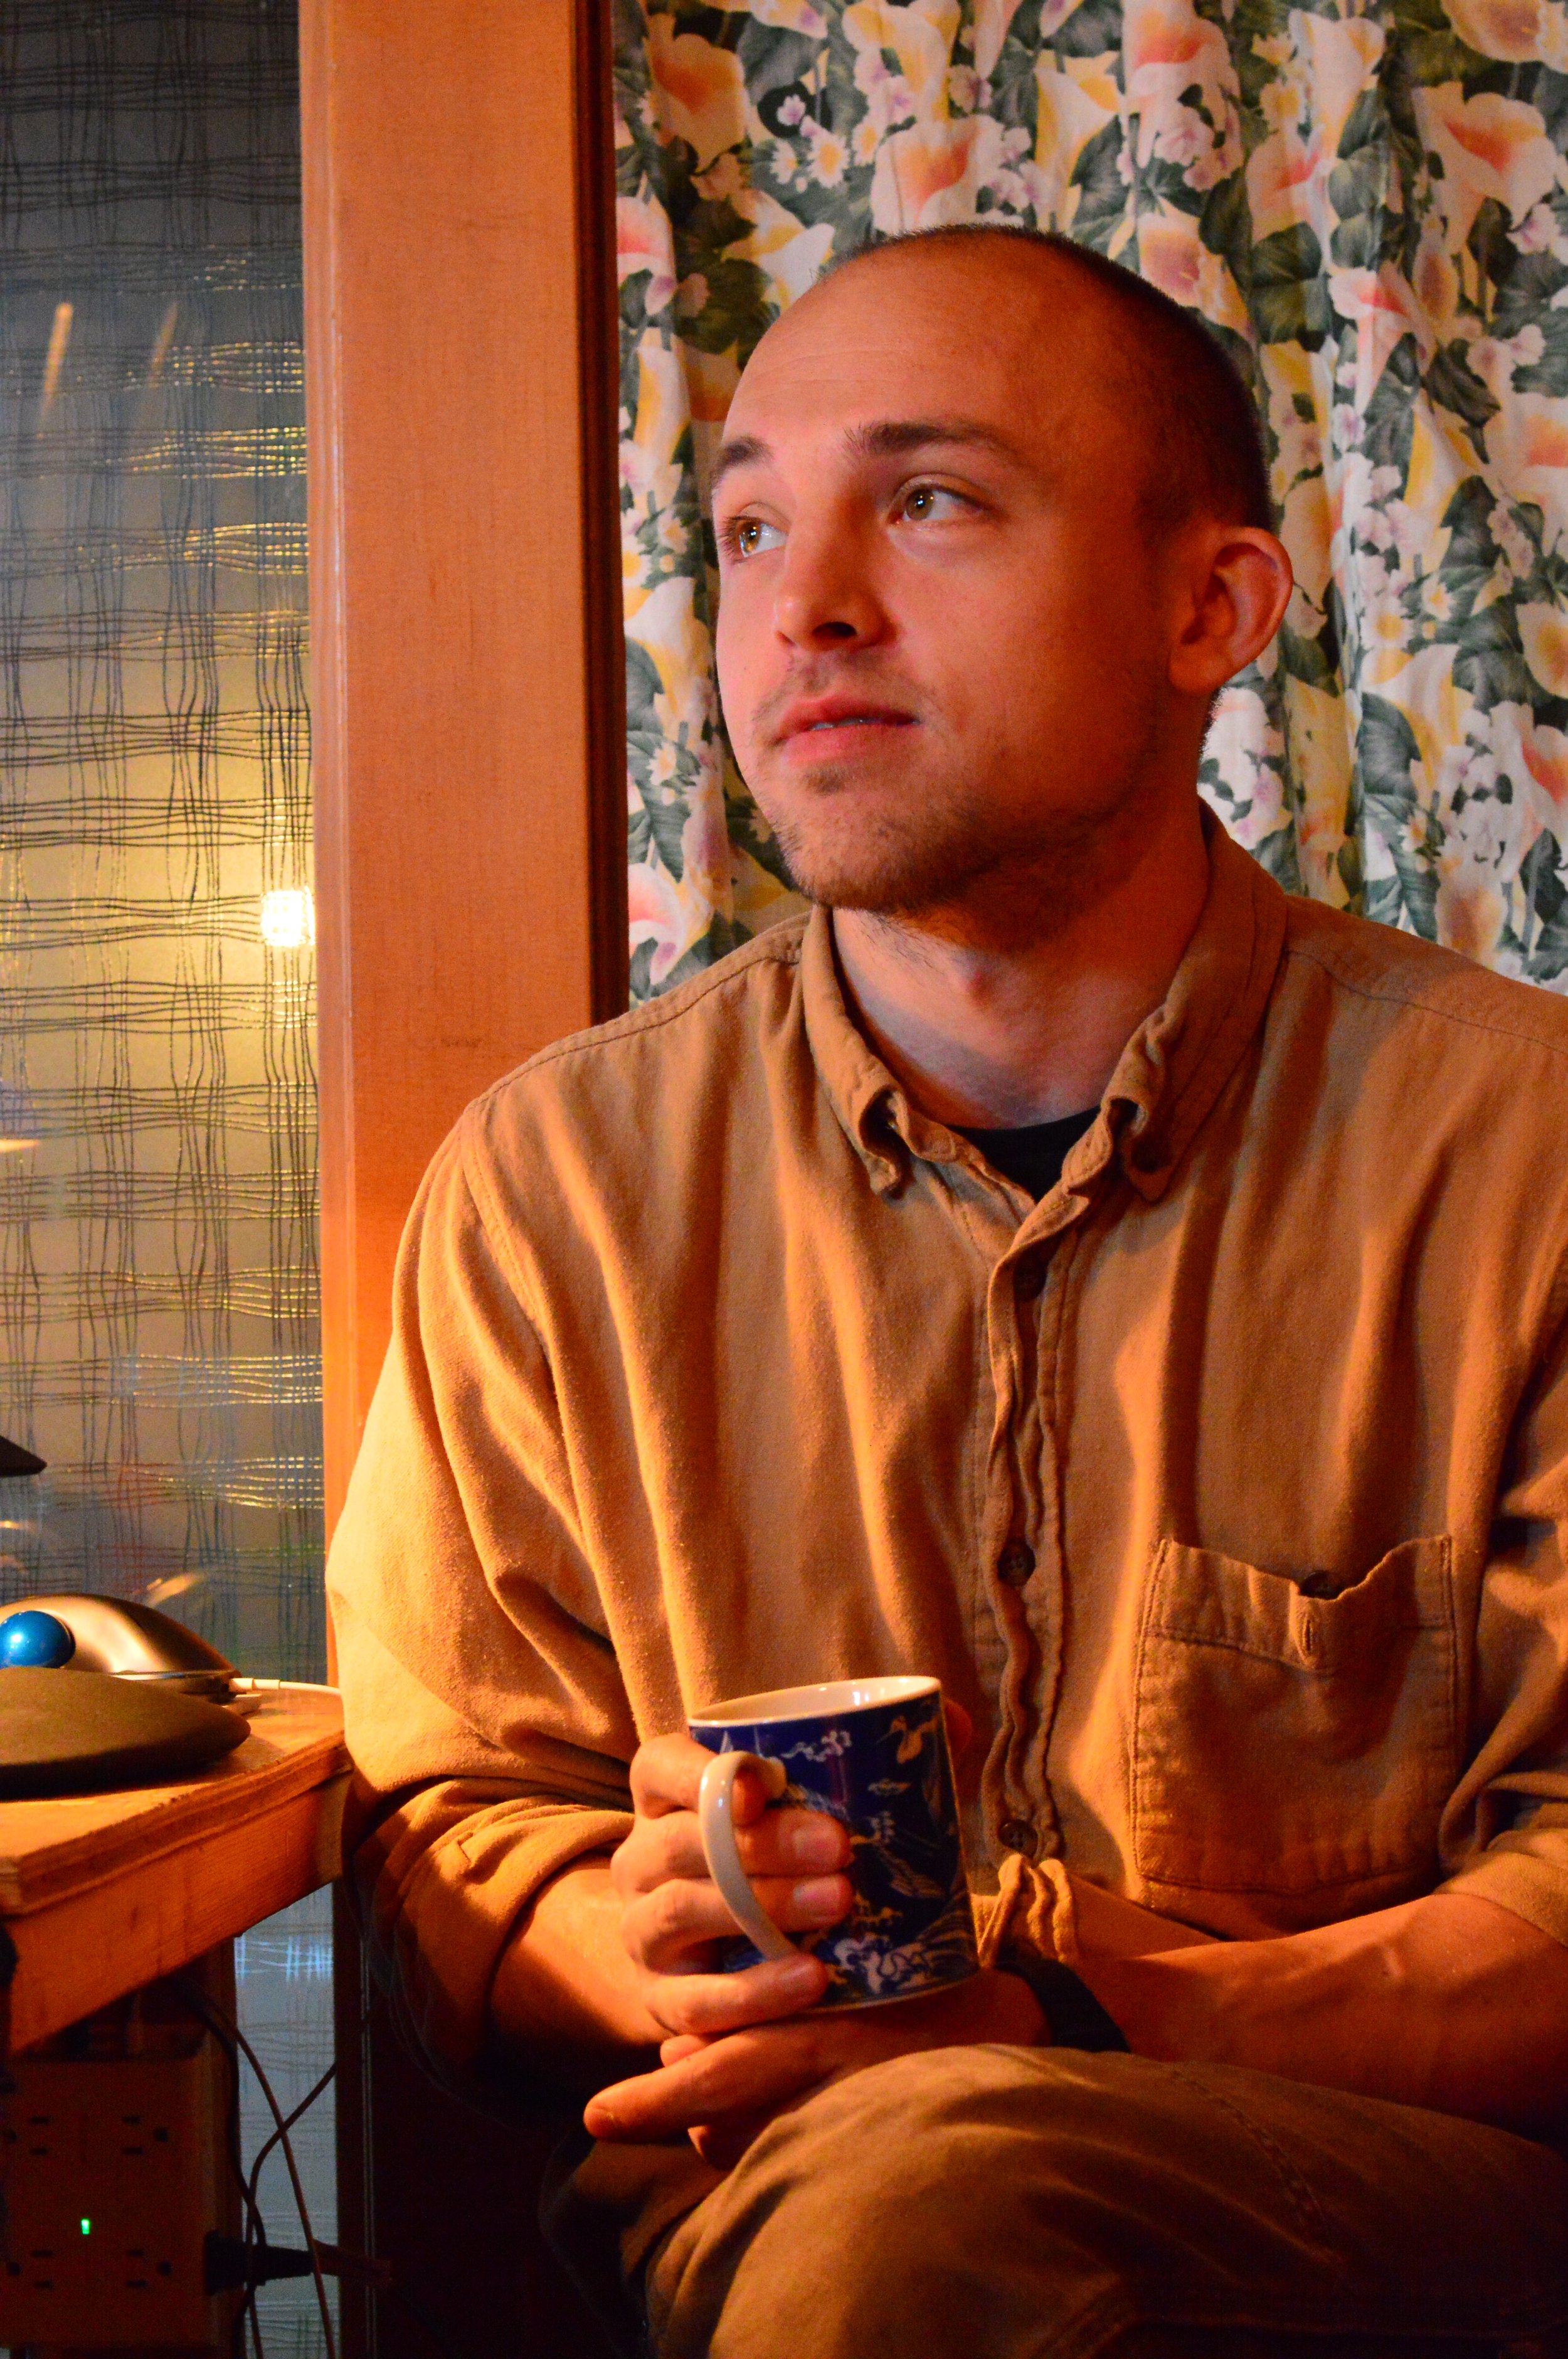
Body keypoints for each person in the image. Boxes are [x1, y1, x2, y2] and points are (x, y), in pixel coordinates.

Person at [330, 226, 1568, 2358]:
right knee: (885, 2215)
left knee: (940, 2203)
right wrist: (655, 1951)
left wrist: (1077, 2014)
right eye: (742, 527)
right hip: (756, 2205)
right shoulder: (556, 1192)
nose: (802, 600)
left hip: (1393, 2219)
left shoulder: (1518, 1150)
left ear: (1215, 606)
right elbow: (456, 1817)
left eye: (927, 501)